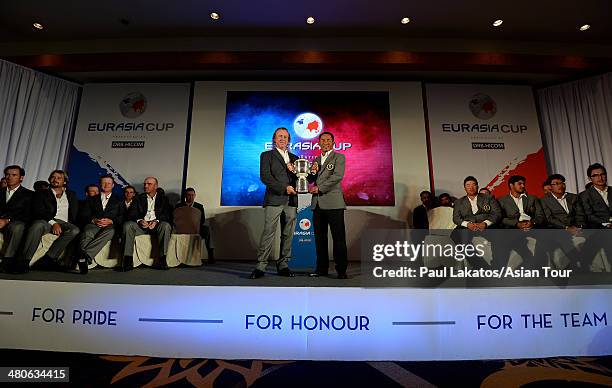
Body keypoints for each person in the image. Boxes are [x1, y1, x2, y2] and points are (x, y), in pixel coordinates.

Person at [249, 127, 298, 279]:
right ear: (274, 139)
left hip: (291, 201)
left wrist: (302, 173)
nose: (282, 139)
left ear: (289, 140)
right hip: (274, 198)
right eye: (279, 136)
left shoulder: (295, 158)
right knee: (268, 233)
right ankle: (260, 266)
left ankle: (283, 265)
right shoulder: (266, 155)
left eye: (285, 136)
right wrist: (285, 188)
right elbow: (265, 177)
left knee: (288, 234)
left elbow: (302, 178)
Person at [307, 131, 348, 279]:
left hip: (334, 203)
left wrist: (320, 188)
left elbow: (337, 176)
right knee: (320, 239)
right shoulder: (316, 160)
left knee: (338, 239)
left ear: (333, 142)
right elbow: (312, 179)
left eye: (328, 140)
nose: (325, 142)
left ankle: (341, 270)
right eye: (322, 140)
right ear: (319, 143)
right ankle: (321, 269)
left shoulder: (339, 157)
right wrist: (310, 174)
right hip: (317, 204)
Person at [22, 170, 80, 272]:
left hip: (65, 223)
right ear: (49, 180)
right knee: (38, 225)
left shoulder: (72, 194)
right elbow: (38, 211)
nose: (55, 179)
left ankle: (48, 259)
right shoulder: (41, 193)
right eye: (53, 177)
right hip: (47, 221)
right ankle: (24, 262)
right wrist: (53, 223)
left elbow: (75, 212)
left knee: (75, 230)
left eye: (59, 178)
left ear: (65, 182)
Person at [120, 177, 172, 271]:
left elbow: (167, 215)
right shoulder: (138, 198)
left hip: (156, 226)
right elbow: (132, 213)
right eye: (145, 184)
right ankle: (127, 260)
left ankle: (162, 260)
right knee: (127, 225)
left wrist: (156, 221)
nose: (145, 186)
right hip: (141, 226)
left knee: (166, 225)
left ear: (156, 186)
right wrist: (139, 220)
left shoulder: (163, 199)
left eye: (149, 184)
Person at [76, 175, 123, 274]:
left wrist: (111, 221)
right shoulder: (92, 199)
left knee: (111, 231)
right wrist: (94, 220)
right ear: (100, 184)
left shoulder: (119, 200)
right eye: (104, 183)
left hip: (110, 226)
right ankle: (83, 264)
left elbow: (122, 216)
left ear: (113, 185)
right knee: (87, 232)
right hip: (93, 224)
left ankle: (84, 257)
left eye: (109, 183)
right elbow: (83, 215)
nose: (106, 185)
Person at [497, 175, 546, 268]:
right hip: (513, 229)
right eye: (519, 184)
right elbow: (500, 219)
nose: (523, 186)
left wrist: (533, 222)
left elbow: (540, 216)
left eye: (523, 184)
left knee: (546, 240)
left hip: (532, 226)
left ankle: (543, 268)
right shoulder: (502, 201)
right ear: (511, 185)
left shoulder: (532, 198)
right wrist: (516, 224)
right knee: (507, 243)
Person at [540, 174, 586, 270]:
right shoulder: (544, 201)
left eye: (562, 183)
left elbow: (580, 214)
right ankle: (575, 266)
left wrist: (579, 227)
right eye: (556, 183)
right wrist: (566, 228)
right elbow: (549, 218)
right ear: (550, 186)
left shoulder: (573, 197)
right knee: (563, 240)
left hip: (576, 228)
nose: (560, 186)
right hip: (558, 230)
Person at [0, 165, 34, 273]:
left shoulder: (30, 195)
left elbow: (29, 214)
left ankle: (7, 261)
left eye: (14, 175)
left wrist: (7, 220)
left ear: (21, 178)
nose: (9, 177)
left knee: (18, 227)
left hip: (14, 223)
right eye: (7, 175)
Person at [175, 187, 215, 264]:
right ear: (185, 196)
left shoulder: (199, 206)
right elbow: (176, 219)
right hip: (182, 228)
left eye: (192, 195)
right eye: (188, 195)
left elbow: (202, 219)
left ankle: (210, 253)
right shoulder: (179, 206)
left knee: (206, 229)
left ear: (195, 195)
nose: (190, 197)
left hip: (195, 227)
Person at [579, 163, 611, 229]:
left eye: (602, 174)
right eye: (595, 175)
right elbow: (589, 216)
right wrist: (607, 223)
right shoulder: (584, 195)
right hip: (599, 228)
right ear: (589, 178)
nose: (600, 178)